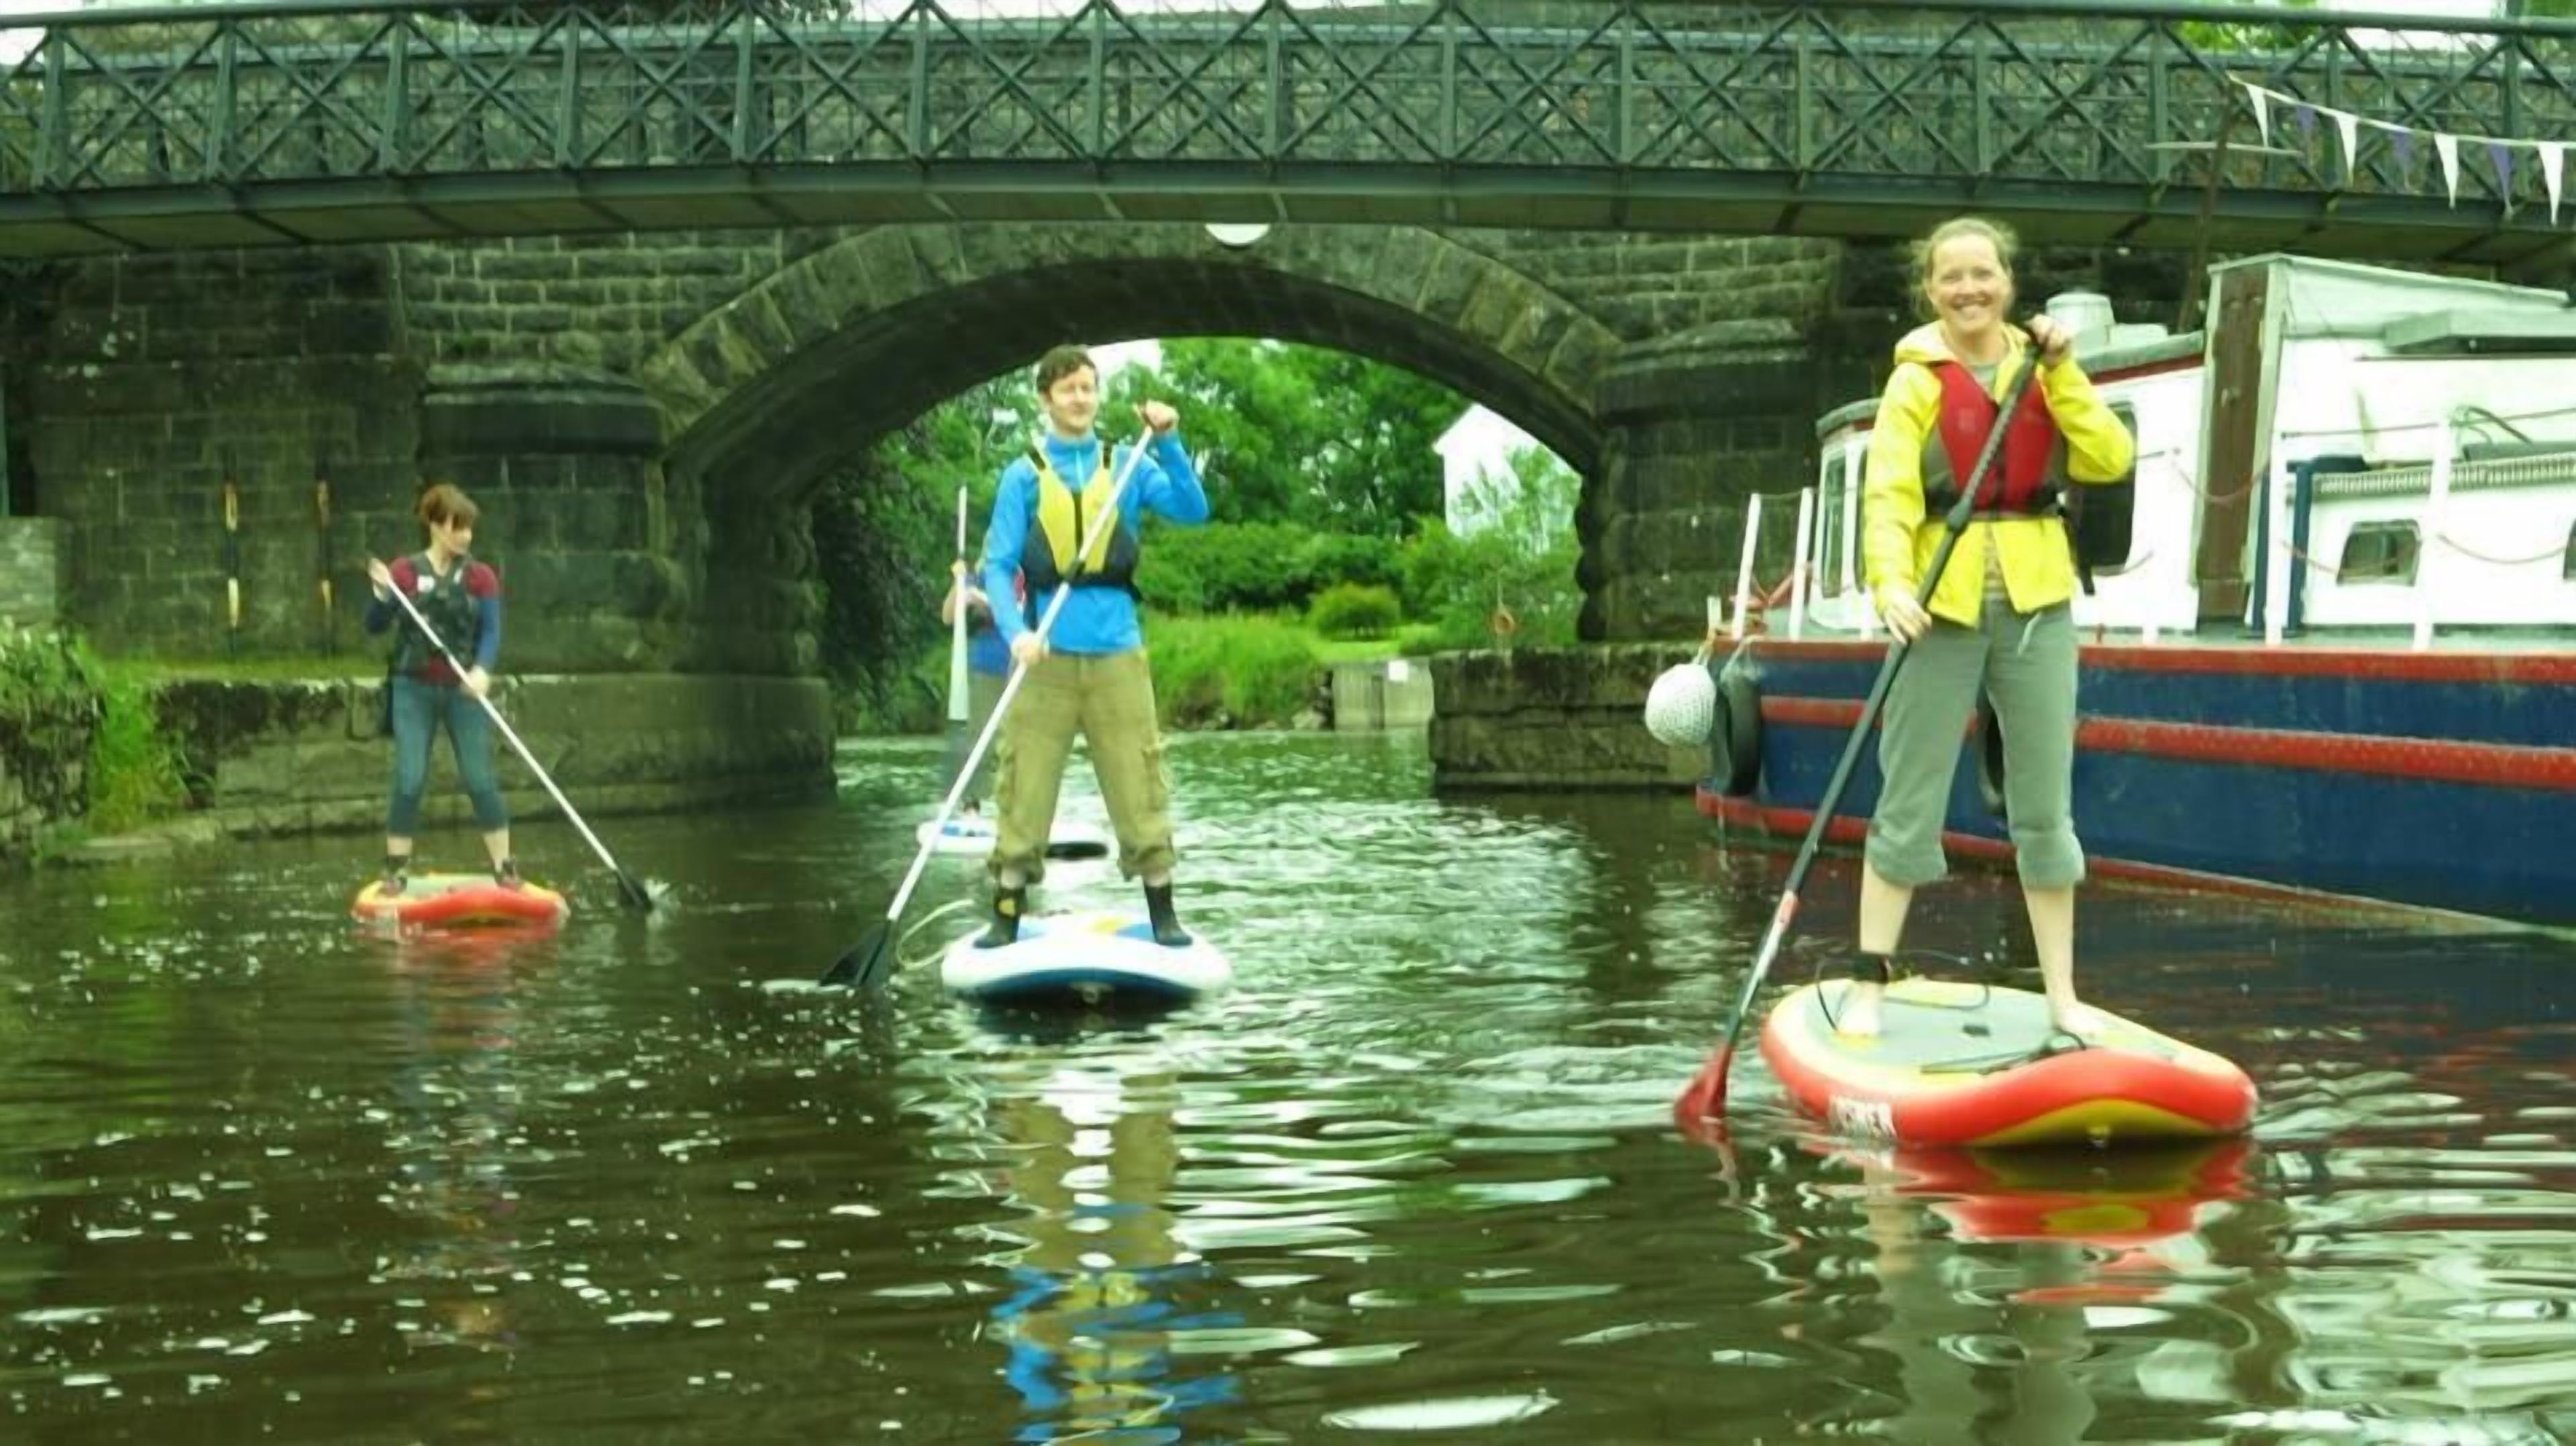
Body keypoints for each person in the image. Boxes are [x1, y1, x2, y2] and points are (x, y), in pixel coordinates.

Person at [1842, 217, 2135, 1041]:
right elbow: (1889, 493)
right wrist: (1891, 581)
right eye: (1952, 278)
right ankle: (1870, 981)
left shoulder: (2045, 367)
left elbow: (2108, 457)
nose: (1969, 290)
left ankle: (2063, 997)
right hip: (1942, 603)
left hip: (2038, 600)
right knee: (1909, 796)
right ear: (1930, 289)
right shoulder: (1915, 381)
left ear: (2008, 280)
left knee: (2046, 809)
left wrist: (2065, 371)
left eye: (1984, 275)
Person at [977, 345, 1209, 949]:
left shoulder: (1126, 465)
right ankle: (1006, 911)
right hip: (1044, 658)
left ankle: (1163, 912)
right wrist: (1016, 632)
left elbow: (1193, 511)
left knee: (1140, 779)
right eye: (1068, 389)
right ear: (1046, 399)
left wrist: (1170, 442)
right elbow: (998, 566)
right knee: (1023, 782)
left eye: (1088, 388)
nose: (1080, 398)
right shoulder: (1023, 474)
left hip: (1116, 653)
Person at [365, 482, 516, 895]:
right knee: (410, 778)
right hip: (413, 689)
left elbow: (491, 632)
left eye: (469, 528)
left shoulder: (481, 578)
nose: (465, 536)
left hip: (463, 692)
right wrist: (381, 594)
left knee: (481, 778)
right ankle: (395, 870)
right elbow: (374, 625)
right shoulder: (405, 573)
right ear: (434, 525)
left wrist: (482, 670)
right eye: (457, 526)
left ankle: (506, 868)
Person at [938, 560, 1014, 817]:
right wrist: (958, 585)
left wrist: (983, 600)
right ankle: (972, 805)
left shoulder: (1022, 572)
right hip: (987, 667)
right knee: (980, 739)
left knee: (1020, 739)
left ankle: (1018, 806)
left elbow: (1018, 610)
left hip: (1021, 666)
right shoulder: (977, 578)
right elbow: (948, 616)